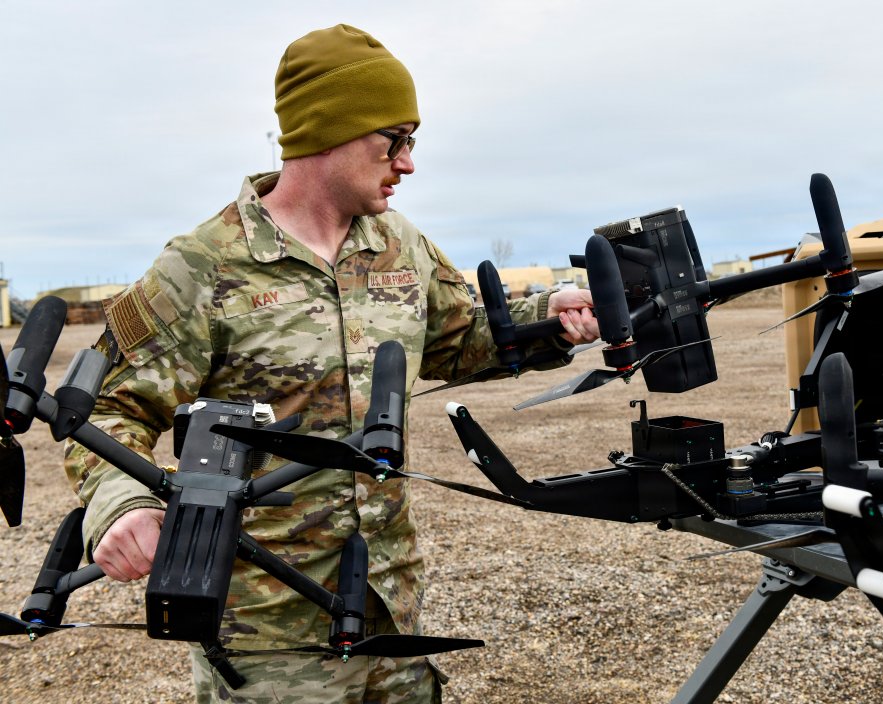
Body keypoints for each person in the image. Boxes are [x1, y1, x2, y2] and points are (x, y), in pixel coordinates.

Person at [64, 23, 599, 704]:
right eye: (394, 140)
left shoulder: (401, 246)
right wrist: (121, 506)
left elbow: (462, 341)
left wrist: (555, 319)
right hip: (268, 636)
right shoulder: (201, 266)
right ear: (329, 133)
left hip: (389, 607)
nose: (407, 162)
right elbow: (107, 410)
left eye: (413, 142)